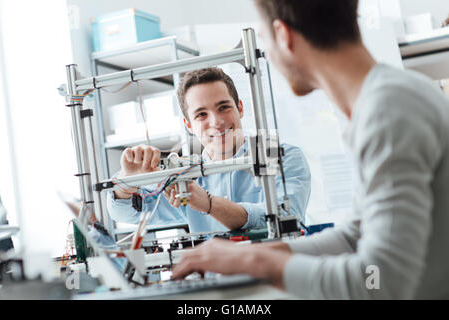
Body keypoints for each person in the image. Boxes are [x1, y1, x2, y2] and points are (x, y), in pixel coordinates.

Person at [172, 0, 449, 299]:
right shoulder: (381, 101)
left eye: (263, 40)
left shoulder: (388, 111)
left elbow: (382, 280)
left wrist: (254, 260)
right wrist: (264, 252)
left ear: (283, 35)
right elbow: (354, 235)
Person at [107, 67, 311, 234]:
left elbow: (284, 216)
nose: (216, 122)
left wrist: (208, 203)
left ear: (240, 108)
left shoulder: (274, 153)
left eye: (223, 107)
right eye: (201, 114)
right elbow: (126, 213)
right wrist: (128, 183)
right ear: (188, 124)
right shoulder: (187, 173)